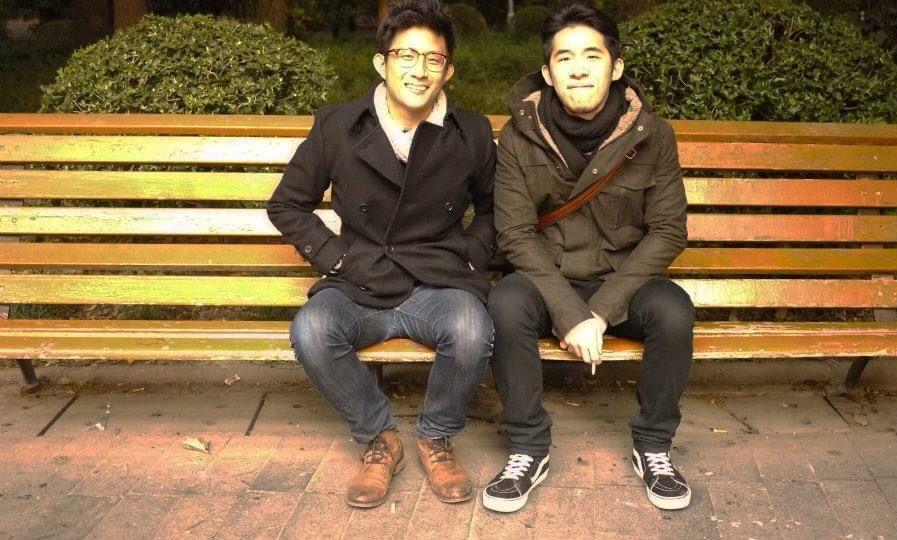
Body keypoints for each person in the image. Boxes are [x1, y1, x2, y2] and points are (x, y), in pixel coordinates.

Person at [267, 0, 496, 508]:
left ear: (448, 70)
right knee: (312, 329)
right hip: (359, 279)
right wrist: (336, 259)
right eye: (406, 55)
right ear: (381, 62)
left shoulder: (472, 133)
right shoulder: (338, 126)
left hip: (435, 281)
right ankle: (380, 438)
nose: (419, 70)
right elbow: (287, 204)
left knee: (471, 327)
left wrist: (471, 257)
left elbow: (493, 209)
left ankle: (436, 436)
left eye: (433, 59)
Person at [482, 2, 694, 513]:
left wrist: (599, 311)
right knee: (505, 304)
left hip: (621, 280)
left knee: (674, 310)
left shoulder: (653, 135)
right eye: (565, 58)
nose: (578, 69)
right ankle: (528, 446)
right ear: (548, 73)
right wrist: (570, 312)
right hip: (547, 277)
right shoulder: (518, 135)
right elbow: (514, 234)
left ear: (615, 67)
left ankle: (654, 445)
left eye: (591, 56)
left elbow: (669, 231)